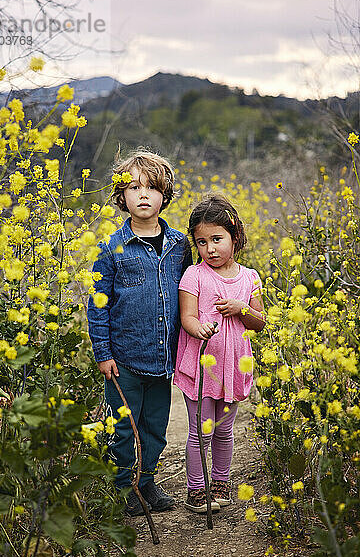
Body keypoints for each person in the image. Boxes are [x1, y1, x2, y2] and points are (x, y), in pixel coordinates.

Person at [87, 150, 192, 516]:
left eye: (151, 187)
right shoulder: (111, 247)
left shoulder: (181, 245)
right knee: (123, 429)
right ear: (122, 197)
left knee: (155, 428)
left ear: (165, 195)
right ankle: (122, 488)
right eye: (133, 187)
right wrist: (103, 353)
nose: (143, 194)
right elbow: (97, 303)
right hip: (124, 361)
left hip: (163, 361)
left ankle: (146, 483)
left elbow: (191, 292)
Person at [174, 194, 265, 513]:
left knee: (224, 430)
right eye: (201, 242)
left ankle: (221, 483)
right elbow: (187, 318)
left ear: (235, 236)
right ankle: (197, 489)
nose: (209, 248)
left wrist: (242, 309)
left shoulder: (250, 277)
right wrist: (199, 329)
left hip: (232, 366)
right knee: (201, 431)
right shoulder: (194, 276)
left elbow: (259, 323)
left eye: (216, 239)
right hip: (200, 367)